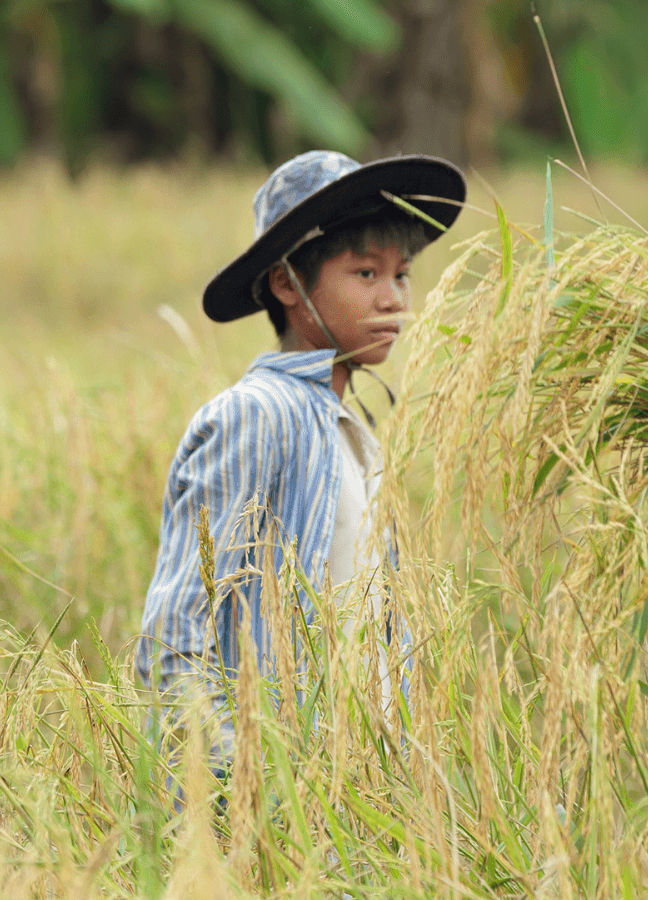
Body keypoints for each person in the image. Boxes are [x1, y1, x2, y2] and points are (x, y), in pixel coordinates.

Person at [136, 151, 467, 757]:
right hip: (284, 806)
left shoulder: (353, 429)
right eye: (366, 274)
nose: (394, 299)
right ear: (288, 283)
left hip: (363, 804)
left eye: (402, 275)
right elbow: (176, 638)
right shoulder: (257, 416)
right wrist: (243, 799)